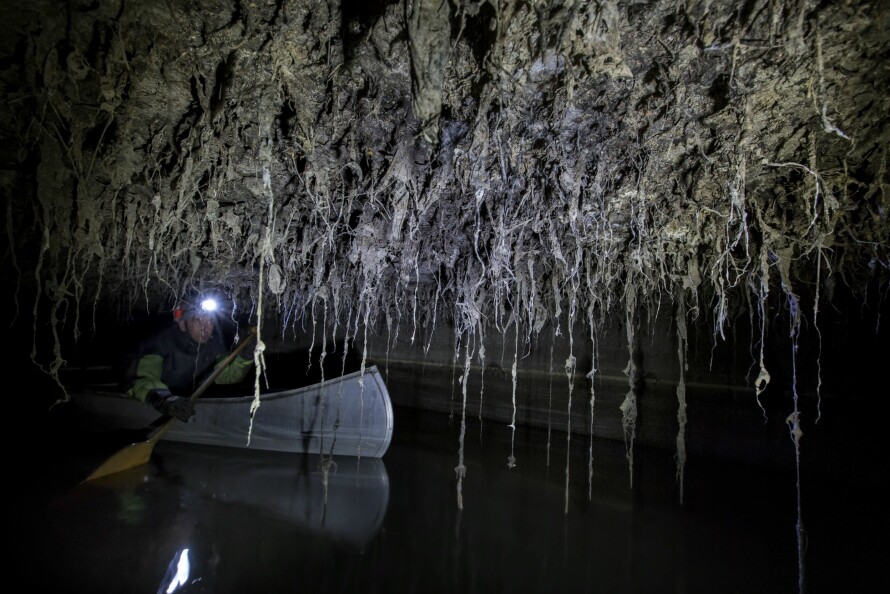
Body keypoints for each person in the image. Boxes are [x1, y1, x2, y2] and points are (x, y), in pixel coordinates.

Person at [124, 297, 256, 422]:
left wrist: (244, 357)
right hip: (156, 400)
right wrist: (167, 401)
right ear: (182, 324)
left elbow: (225, 376)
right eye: (197, 320)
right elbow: (142, 380)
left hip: (186, 402)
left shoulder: (214, 345)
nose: (205, 326)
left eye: (210, 321)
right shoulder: (160, 342)